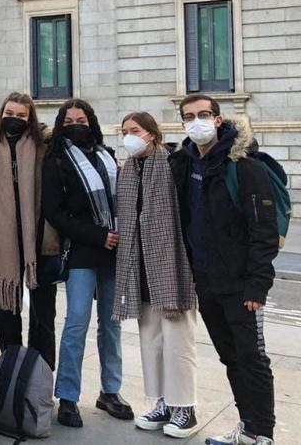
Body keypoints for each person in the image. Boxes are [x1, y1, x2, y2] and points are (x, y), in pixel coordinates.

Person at [168, 95, 278, 445]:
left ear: (217, 119)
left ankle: (263, 433)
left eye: (203, 115)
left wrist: (257, 286)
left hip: (242, 285)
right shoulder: (184, 164)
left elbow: (264, 232)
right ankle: (247, 428)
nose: (196, 121)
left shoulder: (244, 167)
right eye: (189, 117)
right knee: (230, 356)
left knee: (252, 357)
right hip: (207, 280)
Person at [42, 98, 131, 428]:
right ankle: (67, 395)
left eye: (81, 119)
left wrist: (115, 234)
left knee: (112, 324)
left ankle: (110, 391)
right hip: (81, 250)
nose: (75, 125)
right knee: (76, 321)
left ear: (91, 122)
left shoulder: (106, 155)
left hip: (114, 251)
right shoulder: (55, 160)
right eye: (68, 121)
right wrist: (97, 235)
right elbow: (54, 212)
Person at [115, 112, 200, 438]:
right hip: (138, 265)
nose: (128, 136)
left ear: (152, 133)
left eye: (134, 130)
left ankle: (186, 407)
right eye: (124, 131)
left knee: (179, 341)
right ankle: (164, 401)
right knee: (151, 340)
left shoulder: (172, 165)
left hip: (171, 263)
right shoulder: (128, 171)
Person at [0, 93, 59, 368]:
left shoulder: (44, 145)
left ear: (30, 119)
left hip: (40, 242)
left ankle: (39, 374)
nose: (14, 119)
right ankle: (11, 368)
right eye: (10, 113)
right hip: (4, 244)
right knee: (4, 312)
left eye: (21, 115)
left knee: (43, 317)